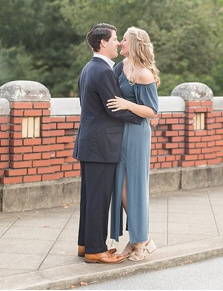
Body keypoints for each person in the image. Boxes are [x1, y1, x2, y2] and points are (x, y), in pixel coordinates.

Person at [74, 23, 143, 264]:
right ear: (103, 43)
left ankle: (85, 244)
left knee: (90, 197)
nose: (118, 43)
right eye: (115, 39)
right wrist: (141, 115)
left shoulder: (89, 68)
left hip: (90, 142)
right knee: (99, 198)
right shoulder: (103, 71)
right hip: (101, 145)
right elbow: (113, 107)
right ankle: (95, 250)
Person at [107, 27, 160, 261]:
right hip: (121, 132)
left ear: (135, 43)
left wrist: (127, 105)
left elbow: (152, 111)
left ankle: (140, 242)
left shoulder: (143, 74)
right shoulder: (122, 66)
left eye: (124, 40)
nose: (120, 43)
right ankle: (139, 238)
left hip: (137, 133)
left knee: (135, 187)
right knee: (121, 188)